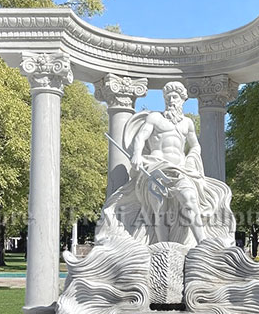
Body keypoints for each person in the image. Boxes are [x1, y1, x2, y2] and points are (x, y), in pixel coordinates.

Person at [97, 81, 234, 247]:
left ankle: (202, 243)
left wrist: (192, 157)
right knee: (159, 208)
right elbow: (141, 137)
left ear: (183, 100)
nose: (171, 100)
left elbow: (195, 145)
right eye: (168, 97)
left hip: (180, 170)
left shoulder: (187, 123)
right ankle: (162, 247)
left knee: (189, 199)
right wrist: (137, 155)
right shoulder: (154, 118)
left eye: (175, 97)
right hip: (156, 167)